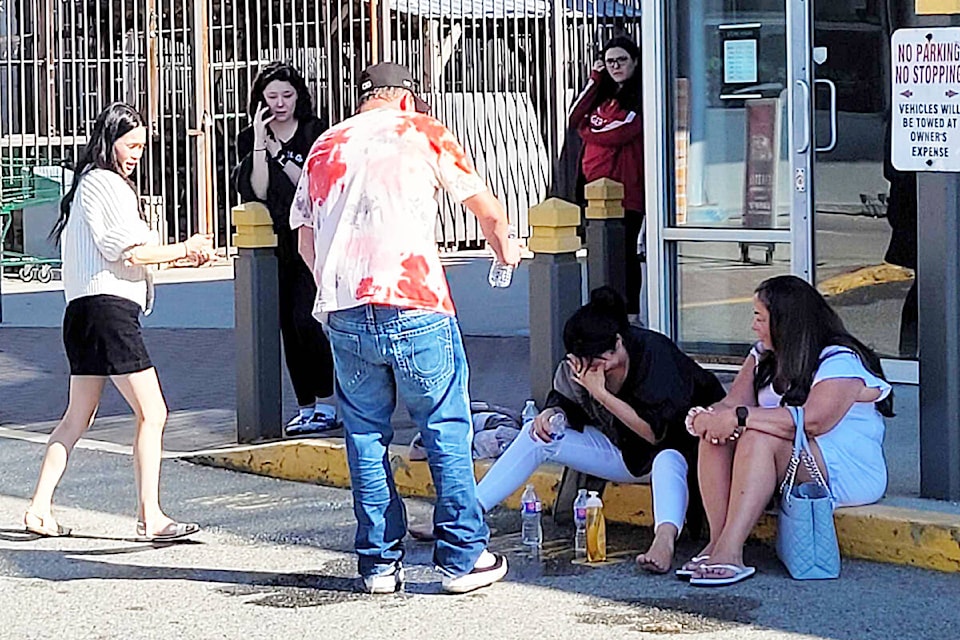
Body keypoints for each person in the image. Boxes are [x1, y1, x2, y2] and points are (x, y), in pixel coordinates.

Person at [291, 62, 521, 594]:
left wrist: (337, 284)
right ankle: (463, 557)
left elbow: (305, 239)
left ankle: (378, 564)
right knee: (444, 427)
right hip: (415, 301)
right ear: (407, 98)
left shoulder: (326, 144)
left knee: (365, 434)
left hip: (345, 309)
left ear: (365, 97)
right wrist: (505, 251)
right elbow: (487, 211)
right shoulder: (423, 132)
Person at [23, 102, 213, 540]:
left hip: (85, 310)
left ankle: (38, 508)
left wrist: (181, 257)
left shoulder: (87, 185)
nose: (137, 154)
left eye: (142, 147)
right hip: (109, 311)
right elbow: (126, 251)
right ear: (109, 141)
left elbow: (129, 259)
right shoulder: (105, 183)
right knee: (153, 412)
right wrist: (185, 248)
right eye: (131, 145)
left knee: (76, 418)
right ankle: (151, 516)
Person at [475, 286, 725, 573]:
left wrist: (603, 394)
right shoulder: (581, 364)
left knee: (668, 458)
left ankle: (664, 542)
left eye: (601, 364)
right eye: (585, 365)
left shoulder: (655, 356)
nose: (594, 371)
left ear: (618, 344)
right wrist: (551, 413)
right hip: (621, 451)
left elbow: (656, 434)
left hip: (675, 454)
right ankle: (466, 516)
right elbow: (564, 400)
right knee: (536, 433)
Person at [685, 275, 893, 586]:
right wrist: (706, 417)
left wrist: (740, 417)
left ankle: (731, 550)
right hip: (793, 457)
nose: (754, 325)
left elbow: (814, 422)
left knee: (755, 435)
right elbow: (733, 403)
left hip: (845, 467)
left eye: (760, 317)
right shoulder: (763, 355)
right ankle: (718, 542)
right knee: (717, 437)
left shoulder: (840, 360)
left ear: (786, 322)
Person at [233, 61, 336, 433]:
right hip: (272, 242)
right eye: (272, 96)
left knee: (306, 320)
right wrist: (261, 144)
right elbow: (257, 189)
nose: (280, 103)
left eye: (287, 95)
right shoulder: (251, 136)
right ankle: (306, 405)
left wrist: (279, 151)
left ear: (299, 96)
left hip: (307, 238)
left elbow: (306, 184)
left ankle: (328, 401)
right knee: (285, 328)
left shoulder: (314, 131)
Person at [568, 35, 646, 317]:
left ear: (635, 62)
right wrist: (595, 78)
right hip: (594, 191)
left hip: (627, 191)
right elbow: (575, 116)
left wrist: (588, 130)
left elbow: (618, 132)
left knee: (624, 255)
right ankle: (606, 311)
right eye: (610, 61)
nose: (616, 66)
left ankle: (630, 312)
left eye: (622, 60)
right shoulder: (603, 96)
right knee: (602, 255)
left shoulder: (640, 96)